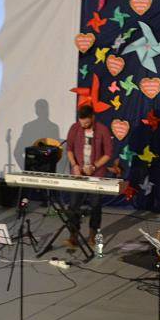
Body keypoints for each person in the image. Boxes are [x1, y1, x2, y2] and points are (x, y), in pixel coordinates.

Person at [65, 105, 113, 247]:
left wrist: (94, 166)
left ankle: (93, 235)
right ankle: (73, 235)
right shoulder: (74, 128)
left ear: (92, 117)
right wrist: (74, 165)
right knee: (73, 204)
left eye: (86, 123)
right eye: (81, 122)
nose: (83, 125)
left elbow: (108, 154)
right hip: (78, 173)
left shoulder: (103, 130)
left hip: (96, 173)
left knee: (95, 205)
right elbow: (69, 149)